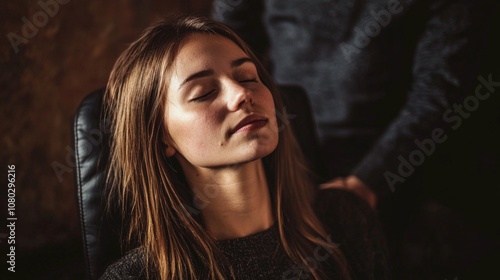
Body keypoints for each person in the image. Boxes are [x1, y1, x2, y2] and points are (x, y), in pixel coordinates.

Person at [212, 0, 500, 279]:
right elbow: (224, 42)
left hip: (398, 162)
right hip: (281, 141)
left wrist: (371, 180)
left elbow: (439, 89)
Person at [99, 16, 390, 280]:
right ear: (162, 138)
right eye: (205, 93)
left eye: (248, 77)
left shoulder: (346, 220)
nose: (241, 94)